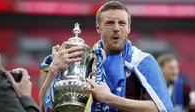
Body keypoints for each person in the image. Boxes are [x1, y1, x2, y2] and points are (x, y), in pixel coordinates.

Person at [40, 1, 174, 112]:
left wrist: (109, 98)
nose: (116, 28)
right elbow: (45, 108)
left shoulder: (142, 61)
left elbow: (161, 108)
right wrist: (53, 71)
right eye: (110, 23)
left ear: (129, 28)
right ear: (98, 28)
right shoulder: (85, 61)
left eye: (122, 23)